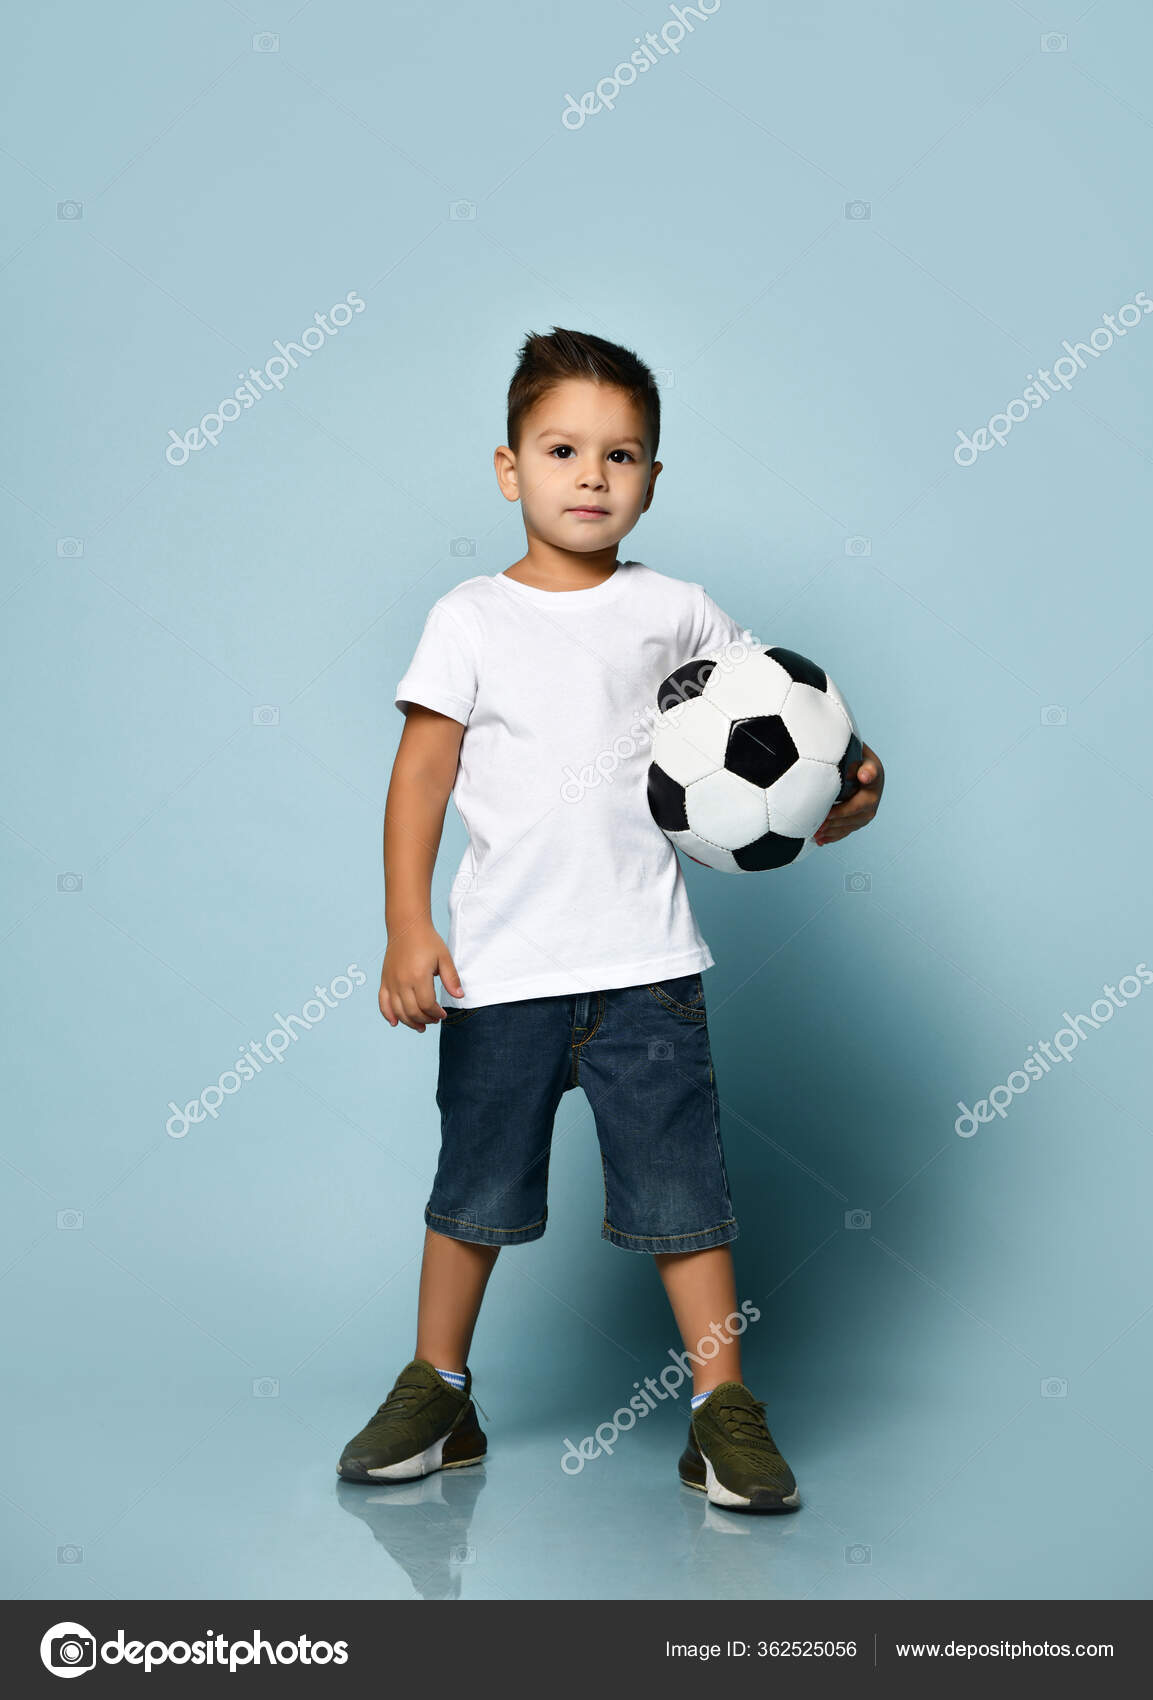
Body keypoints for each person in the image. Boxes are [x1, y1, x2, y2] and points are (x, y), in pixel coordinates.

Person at [337, 327, 885, 1512]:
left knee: (686, 1202)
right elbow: (419, 776)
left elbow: (781, 730)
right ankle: (439, 1388)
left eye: (621, 453)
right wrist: (404, 924)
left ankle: (719, 1408)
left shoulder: (675, 609)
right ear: (508, 467)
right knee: (470, 1195)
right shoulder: (471, 615)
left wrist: (843, 788)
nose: (591, 475)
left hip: (646, 969)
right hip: (498, 970)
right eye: (562, 448)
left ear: (650, 477)